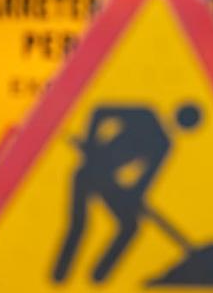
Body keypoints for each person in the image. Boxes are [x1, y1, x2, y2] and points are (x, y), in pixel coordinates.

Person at [53, 104, 201, 283]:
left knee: (130, 226)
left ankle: (97, 278)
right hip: (87, 174)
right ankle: (59, 278)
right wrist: (91, 142)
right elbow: (100, 111)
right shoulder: (145, 116)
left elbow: (146, 180)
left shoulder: (164, 145)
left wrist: (133, 197)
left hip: (109, 182)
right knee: (80, 224)